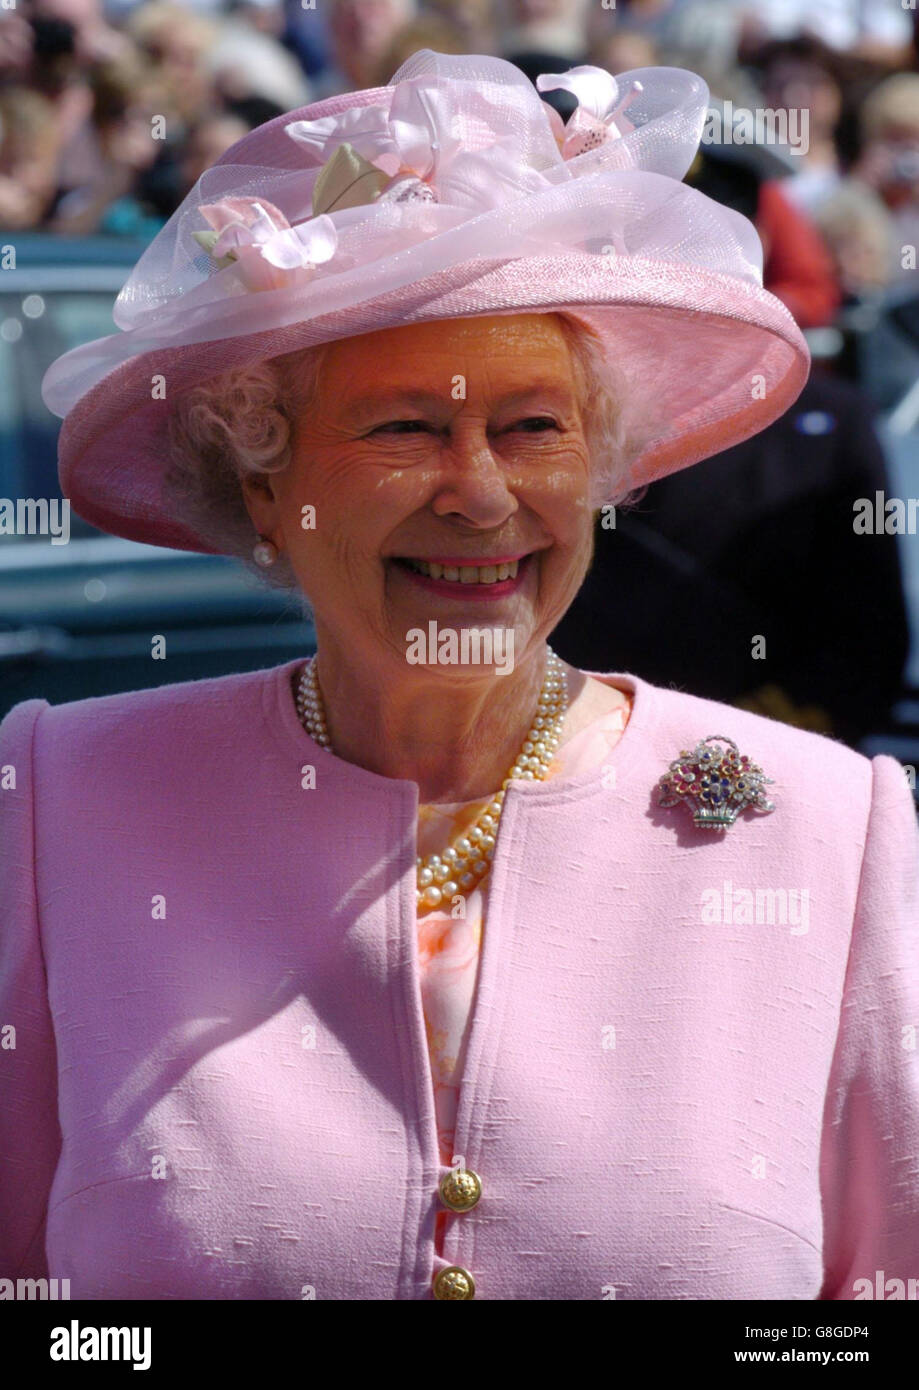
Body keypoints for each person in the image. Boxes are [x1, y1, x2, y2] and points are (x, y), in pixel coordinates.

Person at [2, 50, 917, 1301]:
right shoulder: (60, 799)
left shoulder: (826, 828)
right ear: (265, 481)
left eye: (534, 426)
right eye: (407, 429)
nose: (481, 494)